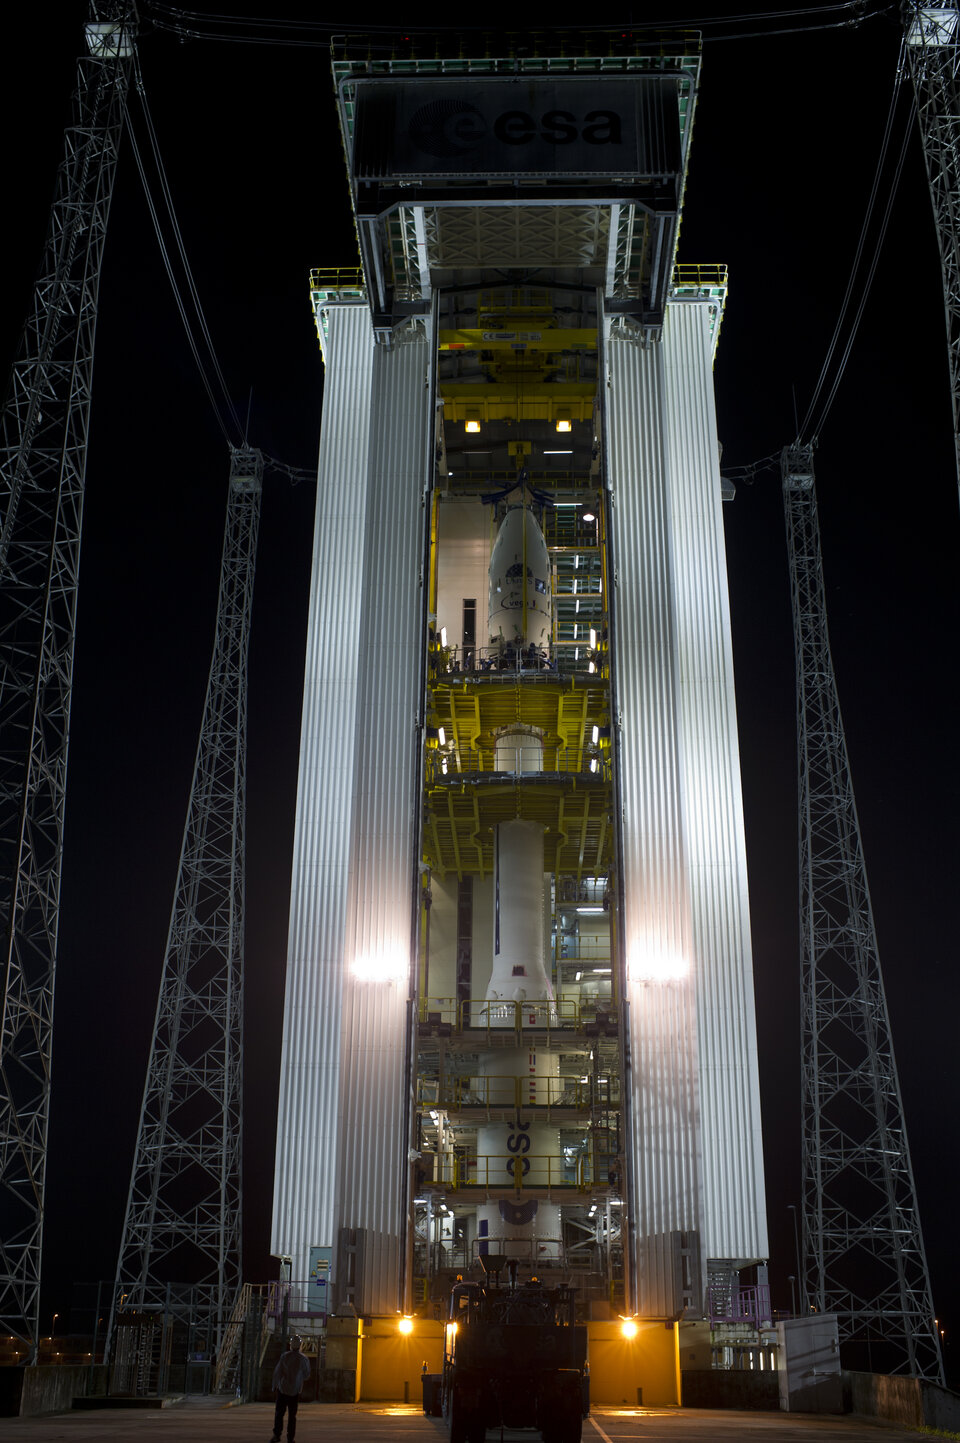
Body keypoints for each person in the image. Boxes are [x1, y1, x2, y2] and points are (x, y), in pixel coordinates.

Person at [272, 1333, 310, 1443]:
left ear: (290, 1345)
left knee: (279, 1413)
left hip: (282, 1389)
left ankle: (277, 1435)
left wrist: (274, 1386)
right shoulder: (303, 1359)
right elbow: (307, 1375)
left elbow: (277, 1372)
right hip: (294, 1391)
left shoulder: (284, 1356)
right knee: (292, 1416)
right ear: (301, 1345)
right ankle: (290, 1438)